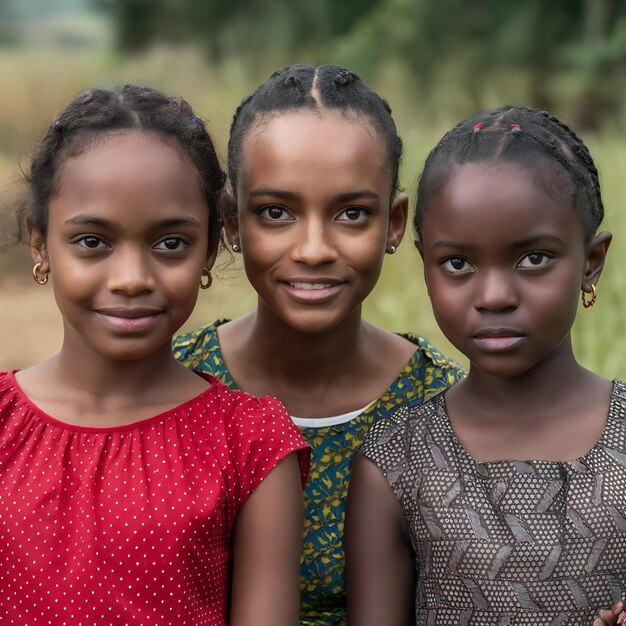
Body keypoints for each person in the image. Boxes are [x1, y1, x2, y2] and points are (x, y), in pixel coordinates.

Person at [0, 84, 309, 626]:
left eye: (170, 244)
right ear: (40, 242)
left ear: (209, 249)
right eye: (93, 241)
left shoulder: (250, 446)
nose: (132, 280)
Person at [172, 64, 465, 625]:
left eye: (351, 213)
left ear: (395, 223)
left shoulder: (446, 410)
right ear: (232, 224)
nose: (312, 249)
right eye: (276, 213)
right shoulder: (175, 391)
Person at [346, 105, 626, 625]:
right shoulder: (397, 462)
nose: (494, 296)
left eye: (534, 258)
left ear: (591, 262)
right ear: (425, 265)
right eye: (458, 263)